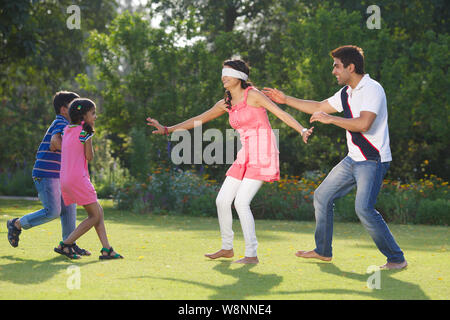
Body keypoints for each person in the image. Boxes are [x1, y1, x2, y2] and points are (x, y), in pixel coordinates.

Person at [147, 59, 313, 264]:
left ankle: (252, 254)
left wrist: (302, 130)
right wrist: (167, 129)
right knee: (222, 201)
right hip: (245, 154)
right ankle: (227, 248)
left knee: (241, 202)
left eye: (228, 73)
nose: (223, 77)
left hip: (263, 151)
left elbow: (280, 113)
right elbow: (198, 119)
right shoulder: (225, 103)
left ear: (240, 77)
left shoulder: (253, 95)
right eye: (223, 73)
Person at [262, 45, 407, 270]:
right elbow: (319, 106)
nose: (334, 71)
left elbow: (363, 124)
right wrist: (285, 99)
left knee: (364, 209)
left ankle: (396, 258)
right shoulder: (346, 93)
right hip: (353, 159)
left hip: (372, 159)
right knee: (322, 196)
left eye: (337, 66)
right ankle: (322, 251)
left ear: (351, 67)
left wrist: (332, 120)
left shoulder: (372, 89)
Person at [7, 91, 90, 256]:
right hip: (46, 174)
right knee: (53, 211)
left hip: (61, 176)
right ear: (64, 109)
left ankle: (69, 244)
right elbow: (54, 142)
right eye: (75, 106)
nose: (78, 110)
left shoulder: (70, 125)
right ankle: (16, 224)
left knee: (69, 209)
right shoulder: (61, 122)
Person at [53, 98, 123, 260]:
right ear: (83, 116)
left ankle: (107, 249)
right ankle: (66, 244)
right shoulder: (86, 131)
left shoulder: (67, 129)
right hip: (78, 178)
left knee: (98, 211)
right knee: (95, 215)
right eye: (93, 113)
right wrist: (89, 135)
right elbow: (89, 156)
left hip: (66, 178)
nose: (95, 116)